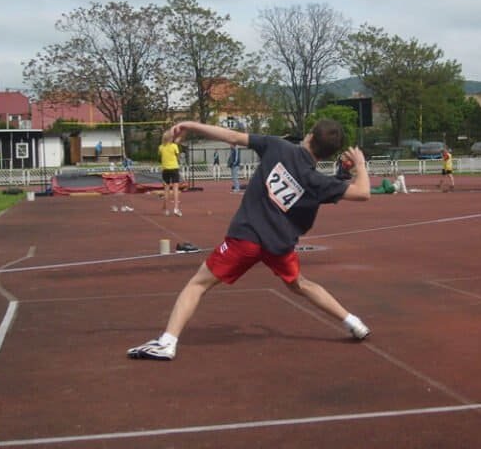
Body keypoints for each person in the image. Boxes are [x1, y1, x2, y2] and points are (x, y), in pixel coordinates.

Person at [127, 119, 371, 361]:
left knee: (198, 284)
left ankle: (167, 342)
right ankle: (353, 322)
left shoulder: (278, 146)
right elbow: (363, 192)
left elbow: (231, 137)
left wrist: (191, 125)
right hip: (279, 246)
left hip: (246, 238)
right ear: (328, 154)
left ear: (309, 136)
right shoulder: (319, 181)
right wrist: (360, 165)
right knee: (301, 284)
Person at [158, 132, 182, 216]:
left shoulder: (161, 147)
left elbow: (160, 156)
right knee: (175, 189)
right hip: (174, 168)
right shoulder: (174, 146)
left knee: (166, 190)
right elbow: (178, 157)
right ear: (170, 138)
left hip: (165, 169)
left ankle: (166, 209)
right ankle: (176, 208)